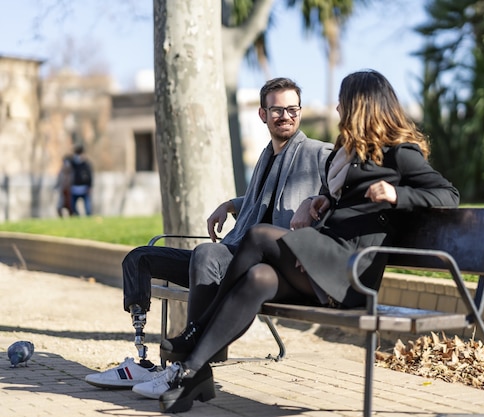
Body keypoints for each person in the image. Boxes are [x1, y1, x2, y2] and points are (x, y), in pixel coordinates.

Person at [150, 69, 461, 413]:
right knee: (258, 278)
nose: (339, 108)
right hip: (324, 259)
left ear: (362, 104)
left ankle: (195, 332)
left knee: (258, 236)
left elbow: (448, 194)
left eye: (344, 101)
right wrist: (322, 201)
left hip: (350, 273)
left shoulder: (399, 154)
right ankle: (194, 372)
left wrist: (396, 193)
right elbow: (342, 205)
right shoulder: (349, 154)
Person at [84, 77, 332, 390]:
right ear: (263, 114)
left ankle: (185, 365)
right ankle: (143, 358)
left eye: (292, 109)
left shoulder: (318, 153)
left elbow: (339, 196)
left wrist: (313, 216)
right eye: (277, 110)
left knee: (206, 254)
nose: (286, 116)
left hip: (265, 263)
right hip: (233, 253)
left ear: (300, 111)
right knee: (140, 258)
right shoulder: (268, 155)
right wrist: (231, 204)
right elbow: (266, 200)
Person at [69, 144, 93, 216]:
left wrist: (89, 186)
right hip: (74, 187)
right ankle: (77, 215)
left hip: (84, 188)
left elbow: (90, 176)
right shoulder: (72, 163)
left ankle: (88, 217)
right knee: (73, 207)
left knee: (87, 208)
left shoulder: (86, 164)